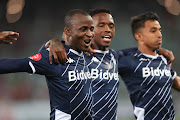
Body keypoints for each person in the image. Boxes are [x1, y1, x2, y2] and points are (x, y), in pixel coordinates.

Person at [44, 8, 176, 120]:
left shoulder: (113, 57)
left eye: (111, 26)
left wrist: (157, 51)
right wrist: (54, 42)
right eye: (101, 25)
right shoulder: (74, 56)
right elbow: (56, 48)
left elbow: (134, 52)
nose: (107, 29)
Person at [0, 9, 95, 120]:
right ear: (68, 31)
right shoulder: (55, 56)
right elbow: (12, 65)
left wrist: (50, 42)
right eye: (83, 29)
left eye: (91, 29)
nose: (89, 34)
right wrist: (50, 44)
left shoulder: (87, 55)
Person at [118, 12, 180, 120]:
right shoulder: (130, 61)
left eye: (159, 30)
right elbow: (108, 55)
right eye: (153, 31)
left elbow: (176, 82)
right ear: (139, 36)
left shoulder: (163, 59)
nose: (159, 34)